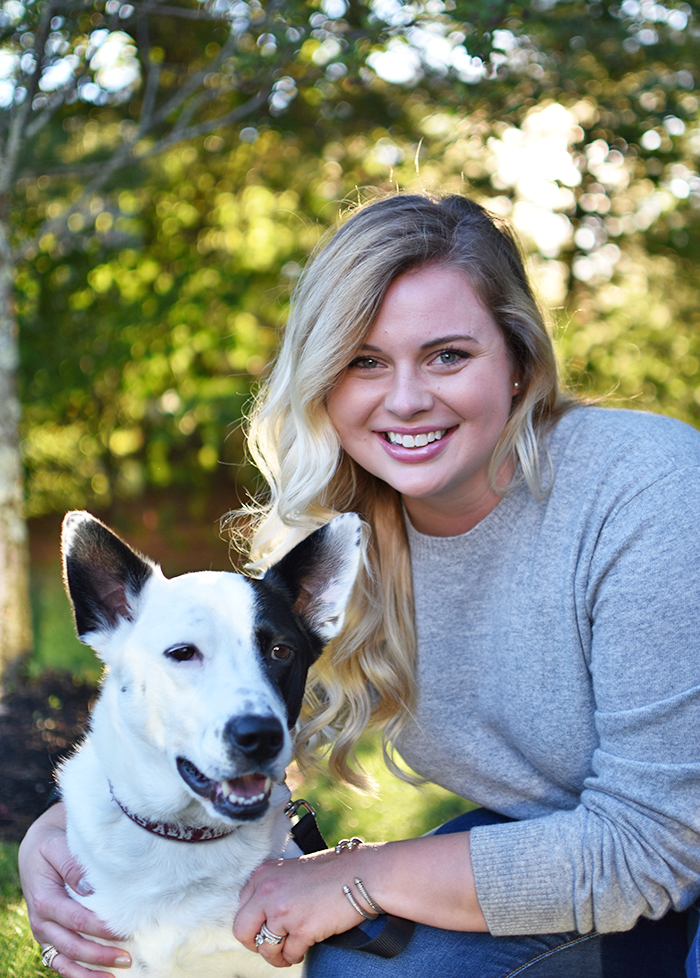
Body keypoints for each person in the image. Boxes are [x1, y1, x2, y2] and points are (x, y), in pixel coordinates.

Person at [19, 193, 700, 978]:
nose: (406, 400)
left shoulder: (647, 492)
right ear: (322, 381)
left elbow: (656, 846)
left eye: (448, 356)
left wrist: (361, 875)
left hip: (661, 850)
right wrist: (66, 826)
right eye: (365, 361)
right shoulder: (346, 537)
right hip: (579, 847)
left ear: (519, 362)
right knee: (356, 967)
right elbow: (234, 714)